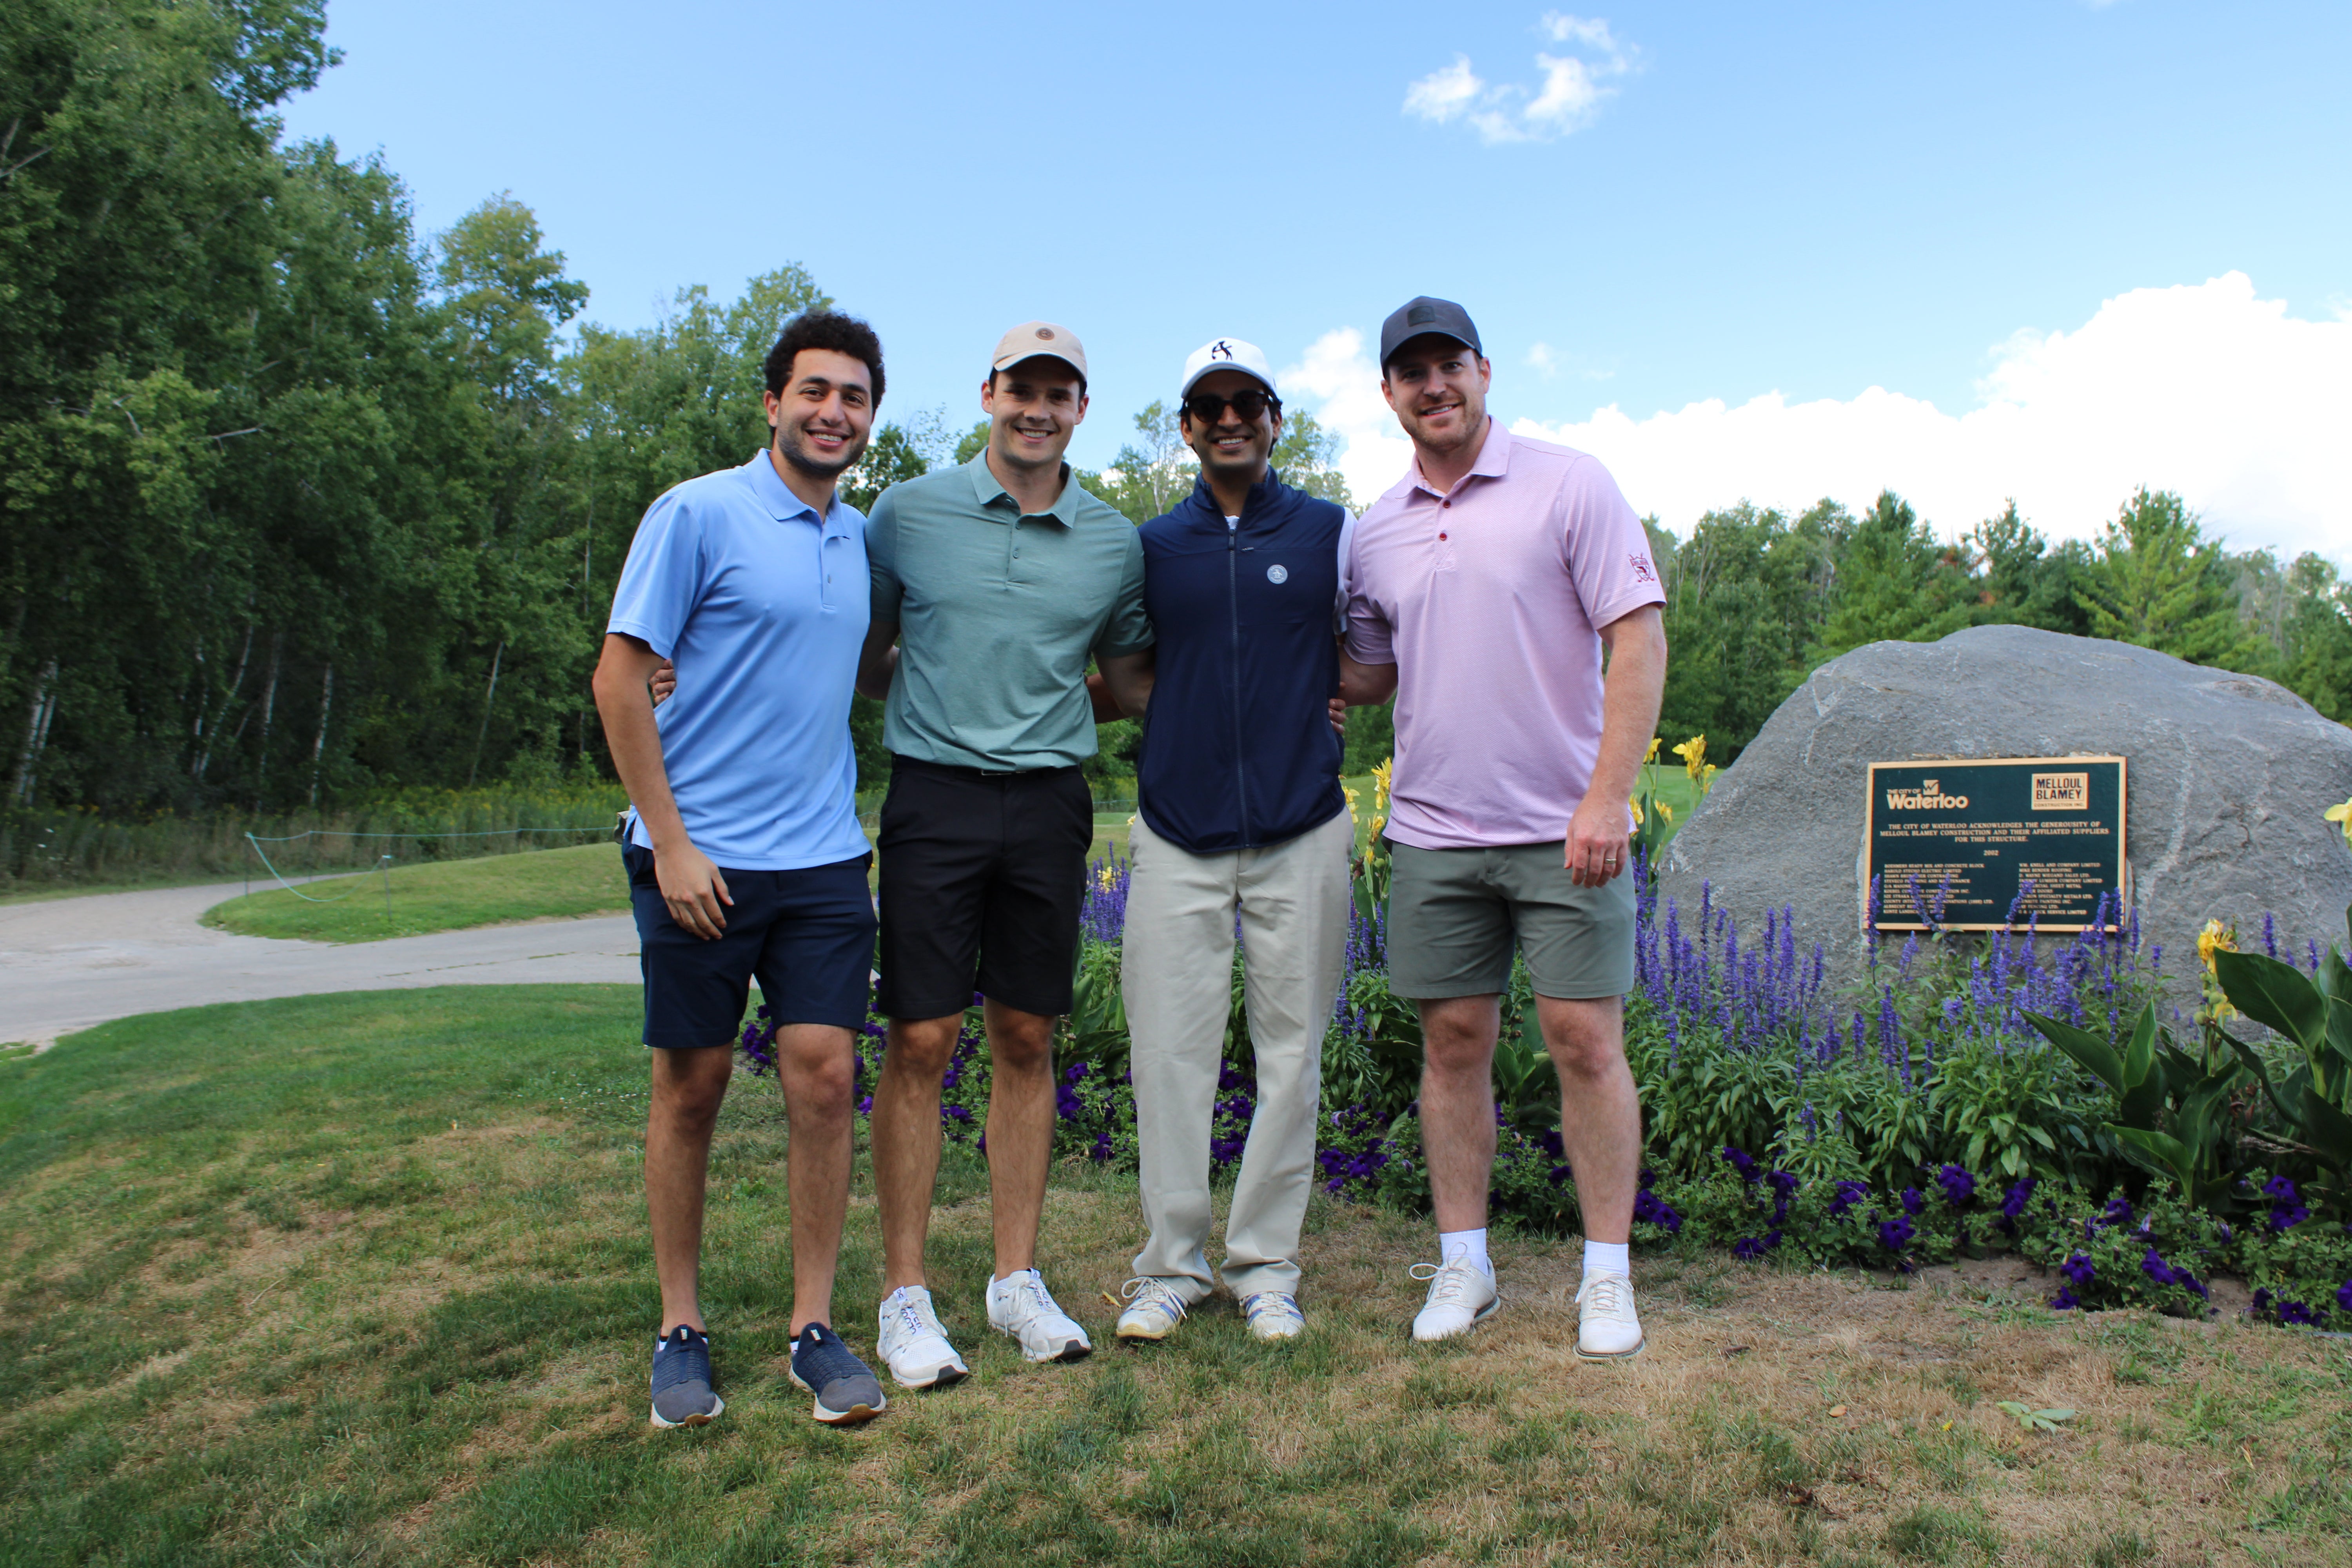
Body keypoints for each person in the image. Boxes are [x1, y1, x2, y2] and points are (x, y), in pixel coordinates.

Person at [1338, 297, 1668, 1356]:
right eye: (1410, 373)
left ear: (1485, 371)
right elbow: (1372, 672)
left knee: (1584, 1042)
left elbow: (1638, 637)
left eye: (1449, 367)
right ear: (1389, 393)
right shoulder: (1376, 527)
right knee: (1452, 1045)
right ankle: (1465, 1266)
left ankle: (1606, 1277)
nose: (1433, 387)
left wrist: (1609, 794)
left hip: (1565, 826)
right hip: (1433, 833)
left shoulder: (1570, 484)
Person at [592, 310, 894, 1428]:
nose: (834, 412)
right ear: (774, 404)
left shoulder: (857, 539)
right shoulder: (698, 512)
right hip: (701, 858)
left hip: (822, 857)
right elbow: (621, 679)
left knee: (823, 1076)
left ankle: (815, 1328)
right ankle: (681, 1328)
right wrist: (670, 841)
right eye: (815, 391)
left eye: (855, 396)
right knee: (694, 1087)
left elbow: (862, 667)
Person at [856, 323, 1155, 1387]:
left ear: (1082, 409)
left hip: (1048, 806)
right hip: (934, 798)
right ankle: (904, 1297)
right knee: (923, 1039)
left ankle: (1014, 1282)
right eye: (1020, 389)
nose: (1038, 408)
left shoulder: (1114, 540)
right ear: (988, 393)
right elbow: (866, 655)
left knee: (1026, 1033)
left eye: (1059, 393)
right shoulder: (908, 512)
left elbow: (1127, 685)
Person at [1102, 338, 1355, 1345]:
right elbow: (1124, 672)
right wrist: (1184, 721)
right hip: (1178, 830)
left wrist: (1318, 702)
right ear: (1188, 428)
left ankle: (1264, 1268)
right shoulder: (1153, 546)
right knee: (1169, 1054)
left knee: (1292, 1058)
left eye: (1247, 401)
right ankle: (1169, 1266)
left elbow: (1374, 641)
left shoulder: (1332, 529)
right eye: (1210, 407)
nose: (1229, 418)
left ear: (1276, 418)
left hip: (1303, 826)